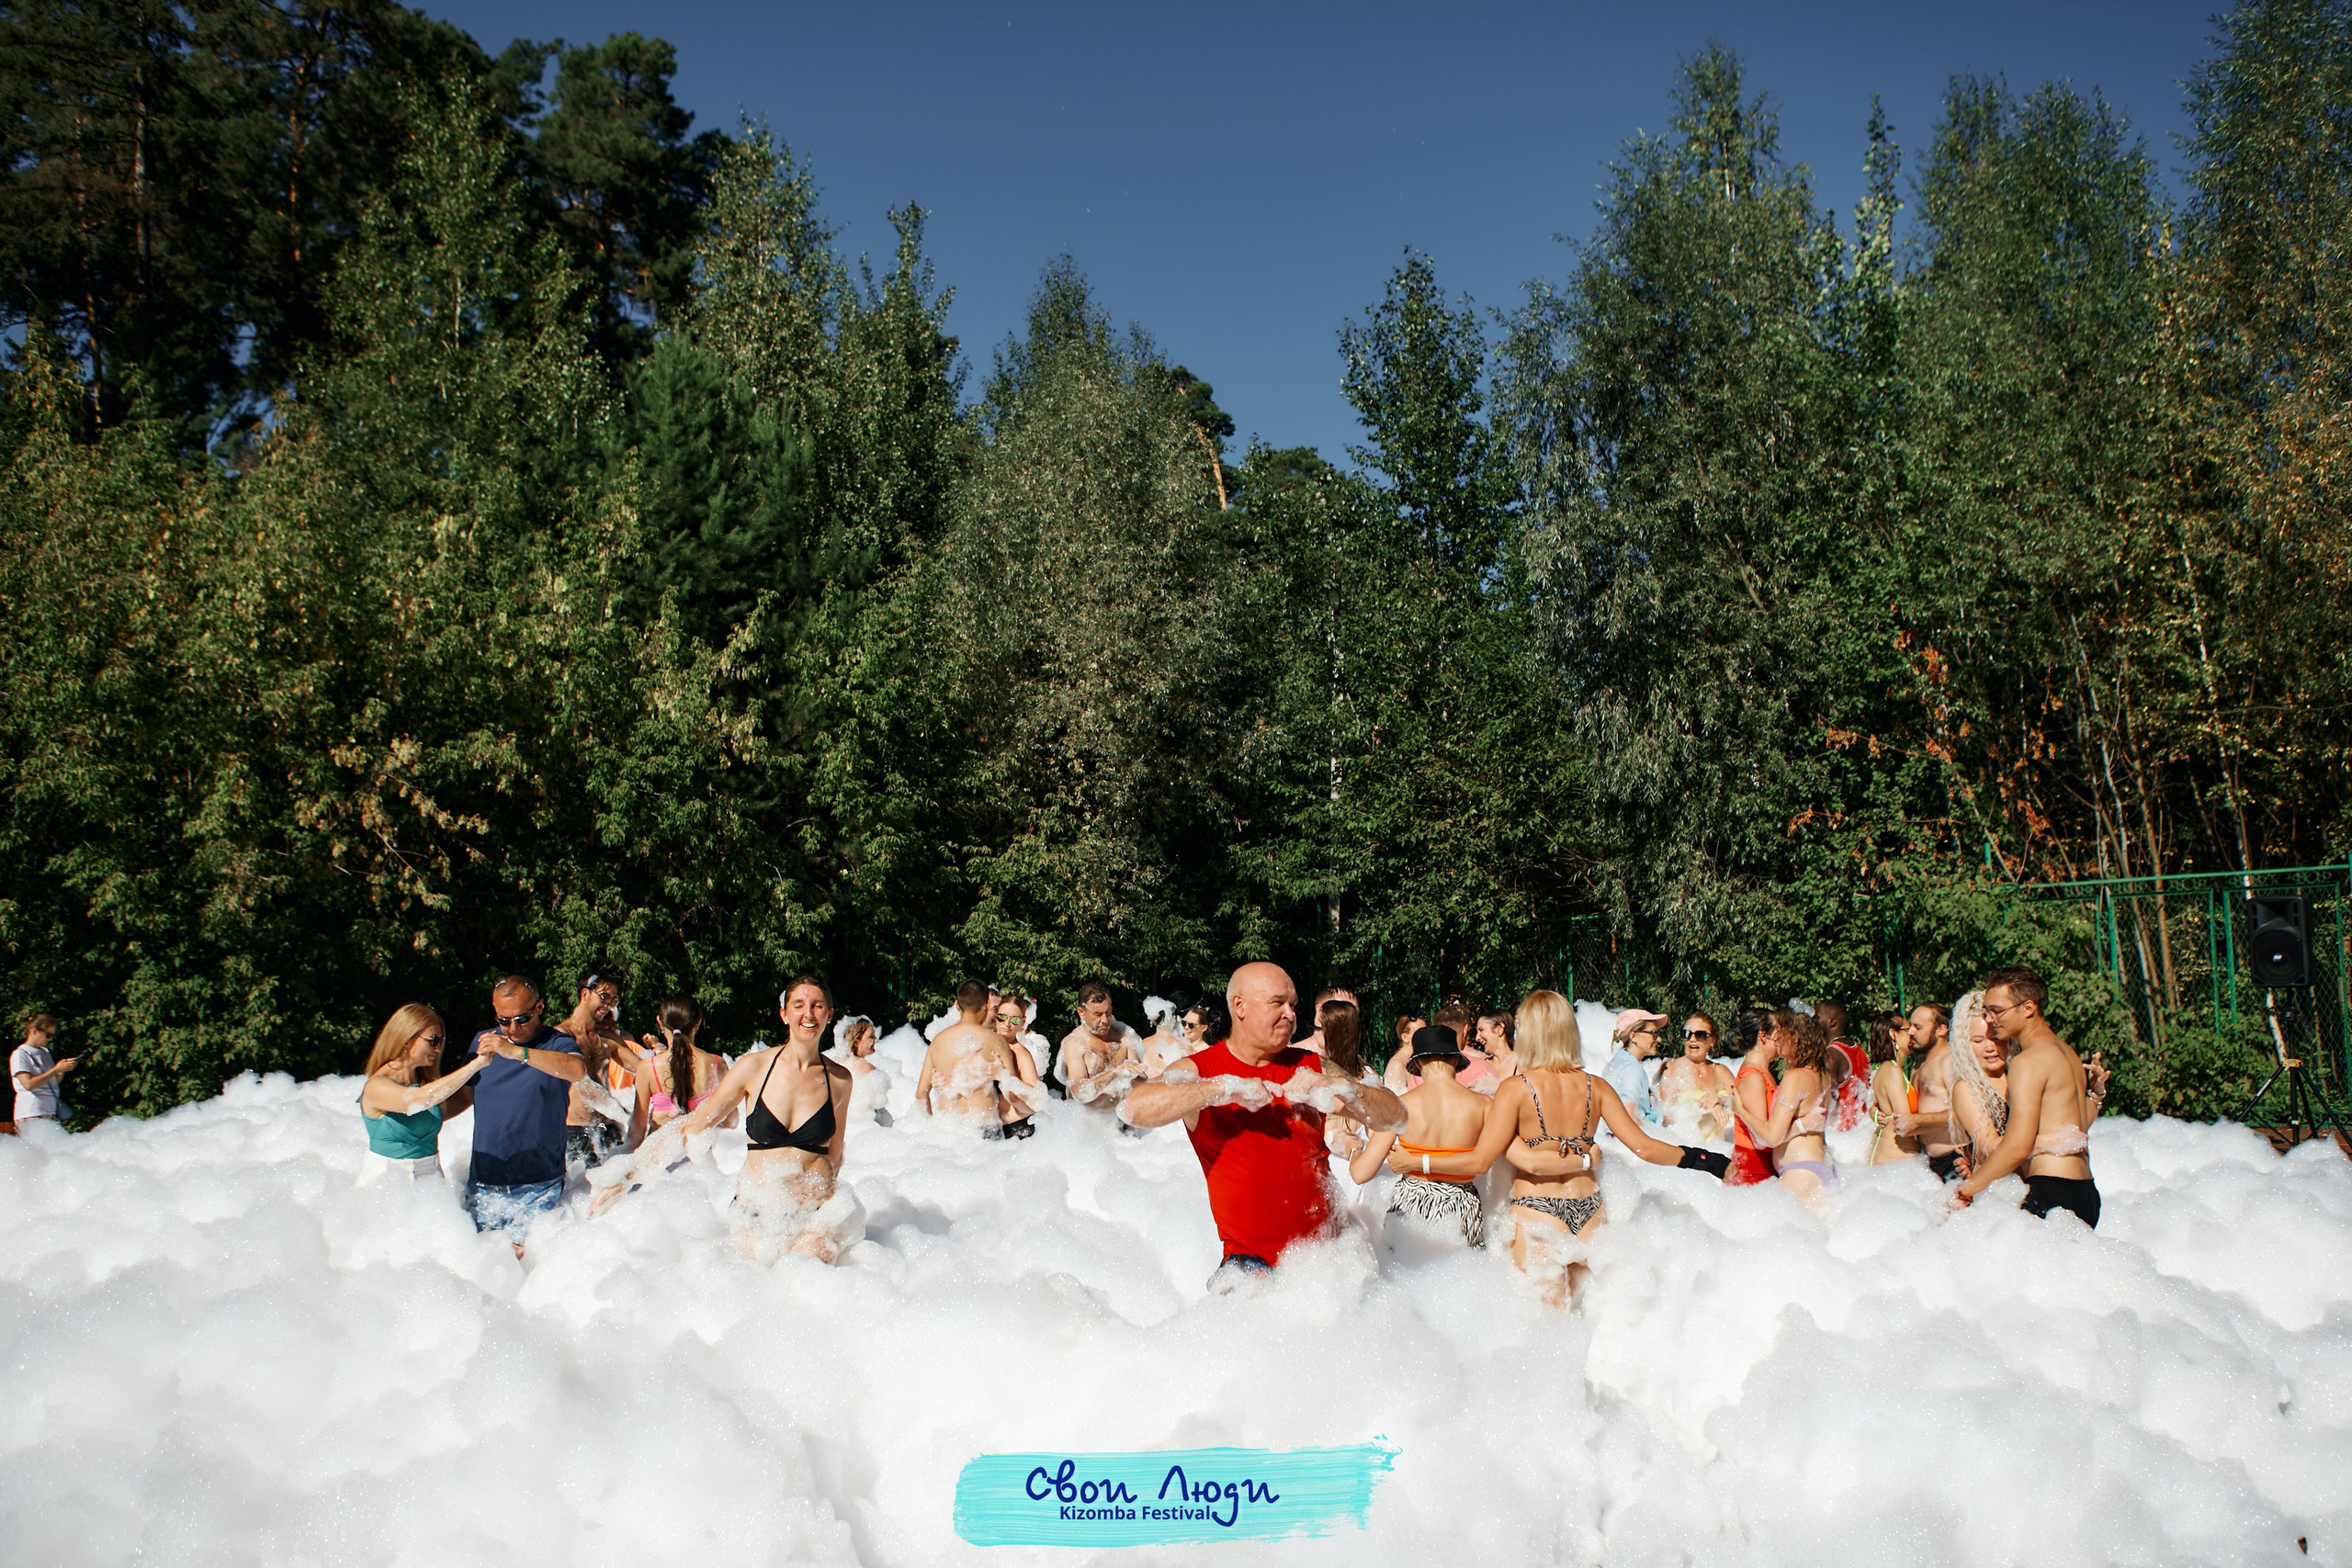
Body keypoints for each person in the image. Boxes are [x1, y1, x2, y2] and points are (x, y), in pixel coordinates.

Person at [1433, 991, 1729, 1307]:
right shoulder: (1595, 1086)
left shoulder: (1515, 1089)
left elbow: (1480, 1161)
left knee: (1547, 1329)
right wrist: (1710, 1161)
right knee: (1589, 1321)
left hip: (1538, 1209)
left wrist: (1417, 1159)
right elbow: (1645, 1147)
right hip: (1589, 1209)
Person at [1123, 961, 1406, 1289]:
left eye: (1293, 1005)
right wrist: (1224, 1088)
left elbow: (1395, 1116)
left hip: (1331, 1261)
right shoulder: (1203, 1069)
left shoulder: (1311, 1067)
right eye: (1277, 1003)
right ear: (1239, 1006)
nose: (1290, 1014)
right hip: (1252, 1270)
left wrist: (1344, 1088)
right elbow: (1134, 1108)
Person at [594, 976, 860, 1264]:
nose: (808, 1014)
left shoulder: (840, 1079)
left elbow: (835, 1154)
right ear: (784, 1014)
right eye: (798, 1005)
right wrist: (628, 1174)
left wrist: (830, 1213)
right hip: (757, 1214)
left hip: (816, 1218)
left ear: (829, 1014)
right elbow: (694, 1125)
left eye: (817, 1006)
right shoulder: (753, 1068)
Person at [1955, 966, 2105, 1226]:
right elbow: (2075, 1125)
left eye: (1997, 1010)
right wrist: (2095, 1096)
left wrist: (1967, 1189)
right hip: (2086, 1193)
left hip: (2052, 1192)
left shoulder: (2028, 1062)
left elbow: (2016, 1147)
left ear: (2027, 1008)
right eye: (1987, 1011)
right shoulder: (2067, 1052)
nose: (1990, 1019)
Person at [465, 977, 586, 1255]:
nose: (513, 1027)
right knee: (488, 1267)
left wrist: (517, 1052)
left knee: (525, 1264)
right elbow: (463, 1095)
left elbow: (577, 1070)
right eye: (504, 1020)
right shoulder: (483, 1041)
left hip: (539, 1183)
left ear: (539, 1006)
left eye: (522, 1018)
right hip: (485, 1183)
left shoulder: (557, 1043)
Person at [1351, 1025, 1492, 1249]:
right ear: (1456, 1061)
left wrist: (1354, 1150)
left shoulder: (1400, 1107)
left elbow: (1361, 1173)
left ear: (1416, 1064)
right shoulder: (1484, 1105)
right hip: (1462, 1204)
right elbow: (1487, 1160)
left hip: (1411, 1205)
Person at [357, 1004, 487, 1184]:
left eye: (441, 1042)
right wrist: (475, 1065)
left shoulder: (425, 1084)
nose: (438, 1048)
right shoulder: (377, 1086)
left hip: (430, 1177)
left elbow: (464, 1097)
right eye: (433, 1040)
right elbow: (419, 1100)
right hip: (388, 1181)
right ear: (406, 1039)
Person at [1733, 1007, 1842, 1205]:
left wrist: (1739, 1110)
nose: (1778, 1039)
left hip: (1800, 1173)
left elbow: (1771, 1137)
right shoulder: (1821, 1074)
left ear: (1795, 1037)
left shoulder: (1794, 1077)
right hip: (1822, 1168)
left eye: (1782, 1033)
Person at [630, 994, 731, 1148]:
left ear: (660, 1022)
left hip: (658, 1162)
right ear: (698, 1022)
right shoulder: (718, 1064)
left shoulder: (647, 1068)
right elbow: (731, 1121)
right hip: (699, 1163)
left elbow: (636, 1132)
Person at [559, 971, 637, 1168]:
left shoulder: (605, 1036)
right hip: (575, 1129)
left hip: (608, 1127)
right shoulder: (562, 1036)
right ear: (585, 994)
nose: (608, 1004)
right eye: (604, 997)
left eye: (613, 999)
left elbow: (640, 1066)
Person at [919, 980, 1018, 1133]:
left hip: (946, 1129)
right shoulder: (996, 1041)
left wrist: (931, 1128)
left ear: (957, 1005)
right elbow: (1013, 1092)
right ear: (986, 1004)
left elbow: (921, 1095)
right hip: (983, 1127)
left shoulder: (938, 1042)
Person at [1058, 983, 1145, 1123]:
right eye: (1098, 1014)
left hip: (1123, 1121)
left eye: (1108, 1013)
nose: (1105, 1020)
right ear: (1081, 1012)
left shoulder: (1125, 1037)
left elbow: (1141, 1085)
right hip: (1090, 1125)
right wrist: (1115, 1072)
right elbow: (1079, 1092)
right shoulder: (1075, 1043)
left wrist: (1137, 1075)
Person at [1943, 992, 2008, 1171]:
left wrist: (2094, 1095)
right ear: (1966, 1045)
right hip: (1995, 1190)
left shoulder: (2019, 1075)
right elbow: (1990, 1148)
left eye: (1996, 1038)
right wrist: (2042, 1140)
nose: (1990, 1047)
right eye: (1979, 1040)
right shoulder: (1966, 1089)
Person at [1897, 1003, 1961, 1179]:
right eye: (1910, 1026)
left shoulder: (1949, 1063)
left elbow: (1963, 1114)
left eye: (1918, 1027)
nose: (1910, 1032)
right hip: (1926, 1161)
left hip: (1953, 1160)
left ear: (1941, 1030)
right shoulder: (1918, 1066)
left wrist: (1917, 1121)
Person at [1656, 1011, 1735, 1143]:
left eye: (1700, 1035)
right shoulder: (1671, 1069)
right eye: (1686, 1034)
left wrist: (1720, 1099)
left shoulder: (1721, 1072)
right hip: (1684, 1146)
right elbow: (1668, 1116)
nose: (1692, 1039)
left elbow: (1740, 1104)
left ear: (1713, 1041)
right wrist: (1708, 1108)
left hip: (1718, 1148)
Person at [1726, 1009, 1779, 1186]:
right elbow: (1761, 1140)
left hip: (1763, 1171)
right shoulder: (1753, 1077)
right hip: (1753, 1172)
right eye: (1779, 1030)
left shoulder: (1763, 1073)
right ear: (1764, 1035)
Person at [1601, 1009, 1668, 1125]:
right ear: (1633, 1037)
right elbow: (1629, 1117)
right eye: (1653, 1033)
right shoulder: (1631, 1069)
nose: (1659, 1039)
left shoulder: (1618, 1062)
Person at [11, 1014, 75, 1130]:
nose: (50, 1039)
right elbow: (28, 1084)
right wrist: (56, 1069)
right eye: (47, 1035)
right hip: (31, 1112)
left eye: (52, 1035)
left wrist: (62, 1071)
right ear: (34, 1031)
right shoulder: (21, 1054)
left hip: (50, 1111)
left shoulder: (45, 1052)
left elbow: (52, 1082)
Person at [991, 996, 1043, 1138]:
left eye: (1014, 1020)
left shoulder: (1021, 1054)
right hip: (989, 1132)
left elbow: (1037, 1099)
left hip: (1018, 1130)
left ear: (1023, 1022)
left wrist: (1003, 1076)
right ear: (995, 1017)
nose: (1007, 1024)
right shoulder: (983, 1044)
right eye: (1002, 1017)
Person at [830, 1015, 894, 1125]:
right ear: (856, 1042)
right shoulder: (865, 1068)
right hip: (863, 1128)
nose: (876, 1040)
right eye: (871, 1037)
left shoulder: (835, 1064)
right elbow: (866, 1111)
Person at [1380, 1011, 1430, 1092]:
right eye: (1420, 1033)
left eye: (1426, 1032)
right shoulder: (1397, 1064)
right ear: (1405, 1037)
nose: (1425, 1036)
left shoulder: (1414, 1060)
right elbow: (1394, 1100)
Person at [1474, 1006, 1520, 1084]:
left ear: (1499, 1029)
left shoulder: (1524, 1064)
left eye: (1481, 1030)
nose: (1477, 1038)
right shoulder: (1479, 1066)